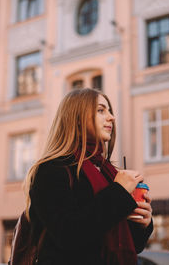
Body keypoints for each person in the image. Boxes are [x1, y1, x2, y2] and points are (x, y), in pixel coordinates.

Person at [24, 88, 153, 265]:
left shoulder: (108, 171)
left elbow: (131, 246)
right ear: (77, 119)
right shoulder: (52, 169)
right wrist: (119, 191)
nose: (111, 117)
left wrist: (142, 225)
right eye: (101, 110)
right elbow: (68, 235)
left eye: (109, 111)